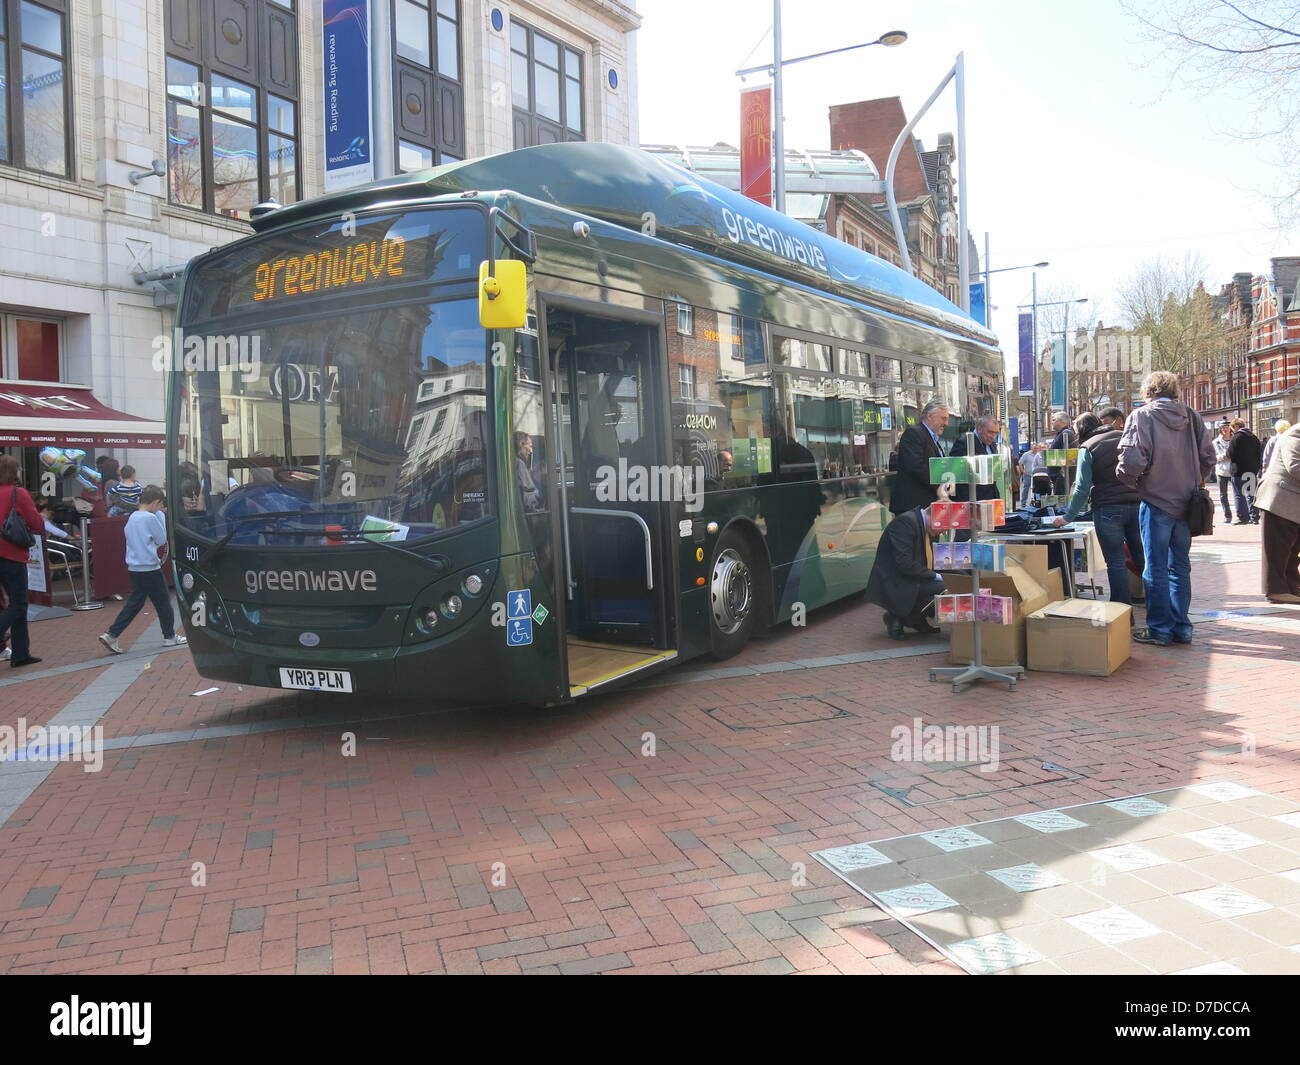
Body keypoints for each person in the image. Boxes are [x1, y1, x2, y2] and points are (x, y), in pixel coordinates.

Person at [1116, 371, 1215, 646]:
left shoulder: (1142, 416)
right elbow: (1209, 457)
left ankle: (1159, 629)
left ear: (1148, 392)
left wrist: (1132, 480)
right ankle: (1182, 628)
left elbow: (1132, 459)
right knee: (1180, 567)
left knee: (1154, 568)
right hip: (1187, 503)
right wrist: (1194, 479)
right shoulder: (1192, 417)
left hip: (1156, 501)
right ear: (1174, 390)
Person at [1054, 412, 1145, 607]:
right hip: (1138, 505)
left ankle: (1122, 611)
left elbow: (1082, 488)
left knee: (1116, 562)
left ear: (1081, 431)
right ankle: (1156, 609)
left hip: (1108, 508)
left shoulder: (1088, 447)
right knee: (1143, 559)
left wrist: (1068, 516)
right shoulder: (1125, 437)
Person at [97, 486, 186, 654]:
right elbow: (161, 539)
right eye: (160, 505)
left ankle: (112, 634)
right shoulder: (150, 518)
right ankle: (169, 636)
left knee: (135, 603)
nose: (160, 509)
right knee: (163, 603)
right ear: (156, 502)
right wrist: (160, 515)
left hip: (134, 567)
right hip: (150, 567)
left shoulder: (132, 517)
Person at [864, 501, 946, 639]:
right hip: (896, 580)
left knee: (952, 583)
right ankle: (898, 616)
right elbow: (905, 563)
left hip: (913, 575)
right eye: (943, 526)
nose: (944, 531)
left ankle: (915, 618)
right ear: (935, 518)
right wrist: (937, 576)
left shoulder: (925, 526)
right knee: (944, 587)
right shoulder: (905, 523)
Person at [0, 455, 44, 668]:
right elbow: (36, 522)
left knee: (11, 604)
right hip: (11, 554)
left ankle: (20, 653)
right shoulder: (18, 493)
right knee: (18, 603)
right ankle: (19, 652)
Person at [1255, 423, 1300, 604]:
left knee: (1292, 548)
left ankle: (1291, 585)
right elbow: (1295, 467)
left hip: (1292, 501)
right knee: (1277, 549)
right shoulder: (1294, 436)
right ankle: (1276, 590)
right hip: (1280, 499)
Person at [890, 401, 949, 514]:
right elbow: (915, 466)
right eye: (943, 418)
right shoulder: (914, 433)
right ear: (930, 416)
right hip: (912, 505)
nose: (946, 423)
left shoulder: (932, 438)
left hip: (925, 503)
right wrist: (938, 487)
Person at [948, 415, 1001, 502]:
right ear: (979, 428)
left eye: (996, 433)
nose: (993, 437)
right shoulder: (964, 443)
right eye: (990, 432)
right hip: (972, 500)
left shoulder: (992, 445)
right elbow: (954, 473)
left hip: (990, 499)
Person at [1227, 417, 1262, 524]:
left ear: (1236, 426)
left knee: (1239, 495)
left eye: (1232, 428)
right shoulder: (1254, 438)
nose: (1232, 430)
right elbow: (1259, 454)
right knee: (1251, 494)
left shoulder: (1236, 438)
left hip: (1238, 470)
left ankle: (1243, 517)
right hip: (1251, 470)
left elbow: (1231, 454)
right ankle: (1254, 517)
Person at [1046, 411, 1077, 495]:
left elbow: (1071, 455)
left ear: (1062, 422)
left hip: (1062, 476)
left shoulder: (1066, 434)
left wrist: (1061, 473)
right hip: (1058, 476)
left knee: (1061, 502)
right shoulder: (1061, 434)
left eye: (1053, 420)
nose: (1051, 422)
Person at [1212, 421, 1235, 524]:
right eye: (1223, 428)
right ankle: (1227, 515)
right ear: (1220, 430)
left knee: (1238, 494)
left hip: (1233, 470)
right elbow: (1212, 457)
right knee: (1223, 495)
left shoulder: (1235, 440)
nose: (1225, 429)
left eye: (1227, 427)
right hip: (1221, 470)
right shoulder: (1216, 442)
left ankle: (1240, 513)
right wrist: (1222, 457)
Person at [514, 431, 542, 512]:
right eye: (530, 446)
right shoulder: (519, 463)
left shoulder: (516, 462)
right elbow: (529, 492)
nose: (531, 451)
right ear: (521, 445)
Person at [1019, 442, 1045, 507]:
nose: (1035, 449)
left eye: (1037, 448)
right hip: (1027, 474)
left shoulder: (1039, 455)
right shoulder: (1026, 454)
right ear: (1031, 448)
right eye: (1034, 448)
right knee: (1026, 488)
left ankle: (1036, 501)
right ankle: (1023, 503)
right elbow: (1020, 463)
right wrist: (1023, 471)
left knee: (1036, 488)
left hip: (1037, 475)